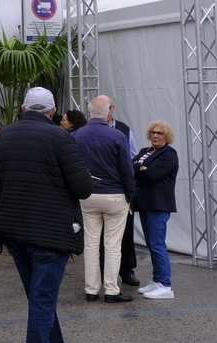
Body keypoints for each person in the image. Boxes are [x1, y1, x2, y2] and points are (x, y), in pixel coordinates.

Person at [0, 87, 93, 343]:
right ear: (52, 111)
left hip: (14, 230)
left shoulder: (3, 136)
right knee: (43, 300)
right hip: (49, 232)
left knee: (39, 299)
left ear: (22, 107)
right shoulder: (61, 138)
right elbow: (83, 187)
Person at [73, 100, 136, 303]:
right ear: (108, 112)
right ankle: (111, 289)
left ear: (88, 113)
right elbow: (127, 168)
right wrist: (130, 193)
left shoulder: (76, 135)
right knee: (112, 245)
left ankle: (91, 289)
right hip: (114, 195)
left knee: (90, 244)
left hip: (88, 195)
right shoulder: (117, 135)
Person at [90, 96, 139, 287]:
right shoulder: (90, 130)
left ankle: (127, 270)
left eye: (108, 107)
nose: (106, 111)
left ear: (112, 109)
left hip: (120, 189)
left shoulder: (123, 129)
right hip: (97, 189)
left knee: (126, 234)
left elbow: (133, 156)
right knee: (99, 238)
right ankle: (103, 275)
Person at [132, 121, 180, 299]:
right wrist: (140, 168)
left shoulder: (169, 154)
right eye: (153, 132)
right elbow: (132, 167)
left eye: (160, 133)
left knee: (158, 244)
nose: (155, 136)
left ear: (167, 136)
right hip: (145, 204)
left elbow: (151, 175)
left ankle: (165, 285)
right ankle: (157, 279)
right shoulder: (145, 151)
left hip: (158, 205)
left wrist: (141, 169)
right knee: (152, 244)